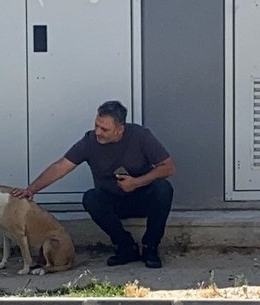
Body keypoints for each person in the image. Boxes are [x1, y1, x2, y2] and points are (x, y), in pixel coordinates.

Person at [12, 100, 175, 269]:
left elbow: (169, 167)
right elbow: (61, 167)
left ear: (120, 130)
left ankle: (151, 248)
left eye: (104, 129)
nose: (98, 132)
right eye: (96, 125)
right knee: (90, 198)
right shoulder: (89, 141)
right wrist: (31, 189)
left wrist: (136, 182)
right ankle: (125, 247)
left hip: (141, 197)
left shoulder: (140, 136)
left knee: (163, 189)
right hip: (113, 201)